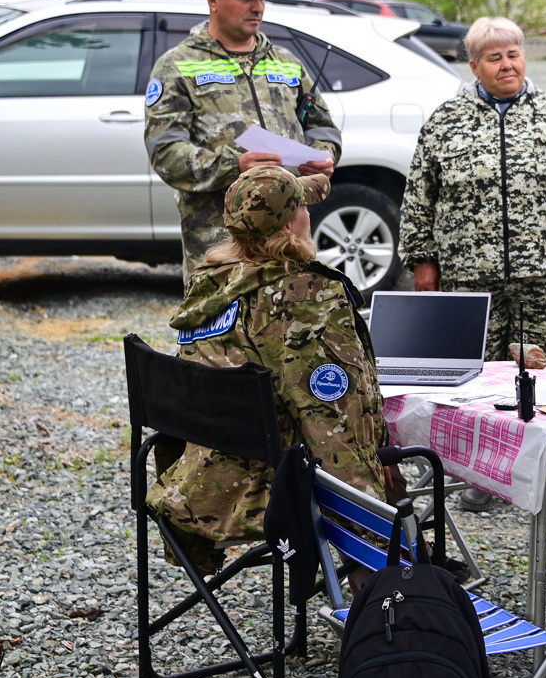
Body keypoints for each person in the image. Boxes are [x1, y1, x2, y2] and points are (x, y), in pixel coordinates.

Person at [399, 16, 546, 515]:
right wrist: (423, 262)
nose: (507, 64)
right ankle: (482, 475)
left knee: (545, 375)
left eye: (513, 53)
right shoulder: (446, 121)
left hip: (542, 276)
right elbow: (418, 198)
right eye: (494, 57)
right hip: (468, 278)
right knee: (475, 380)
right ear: (474, 65)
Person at [146, 166, 391, 574]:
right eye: (302, 206)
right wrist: (374, 531)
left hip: (197, 477)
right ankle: (388, 598)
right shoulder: (305, 295)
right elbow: (337, 422)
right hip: (269, 485)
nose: (310, 214)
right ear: (292, 223)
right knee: (385, 458)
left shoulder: (208, 283)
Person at [145, 0, 341, 283]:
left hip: (289, 238)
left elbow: (322, 126)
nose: (258, 6)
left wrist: (321, 155)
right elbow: (166, 154)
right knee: (221, 330)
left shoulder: (285, 60)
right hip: (220, 241)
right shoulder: (177, 66)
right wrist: (235, 164)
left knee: (290, 326)